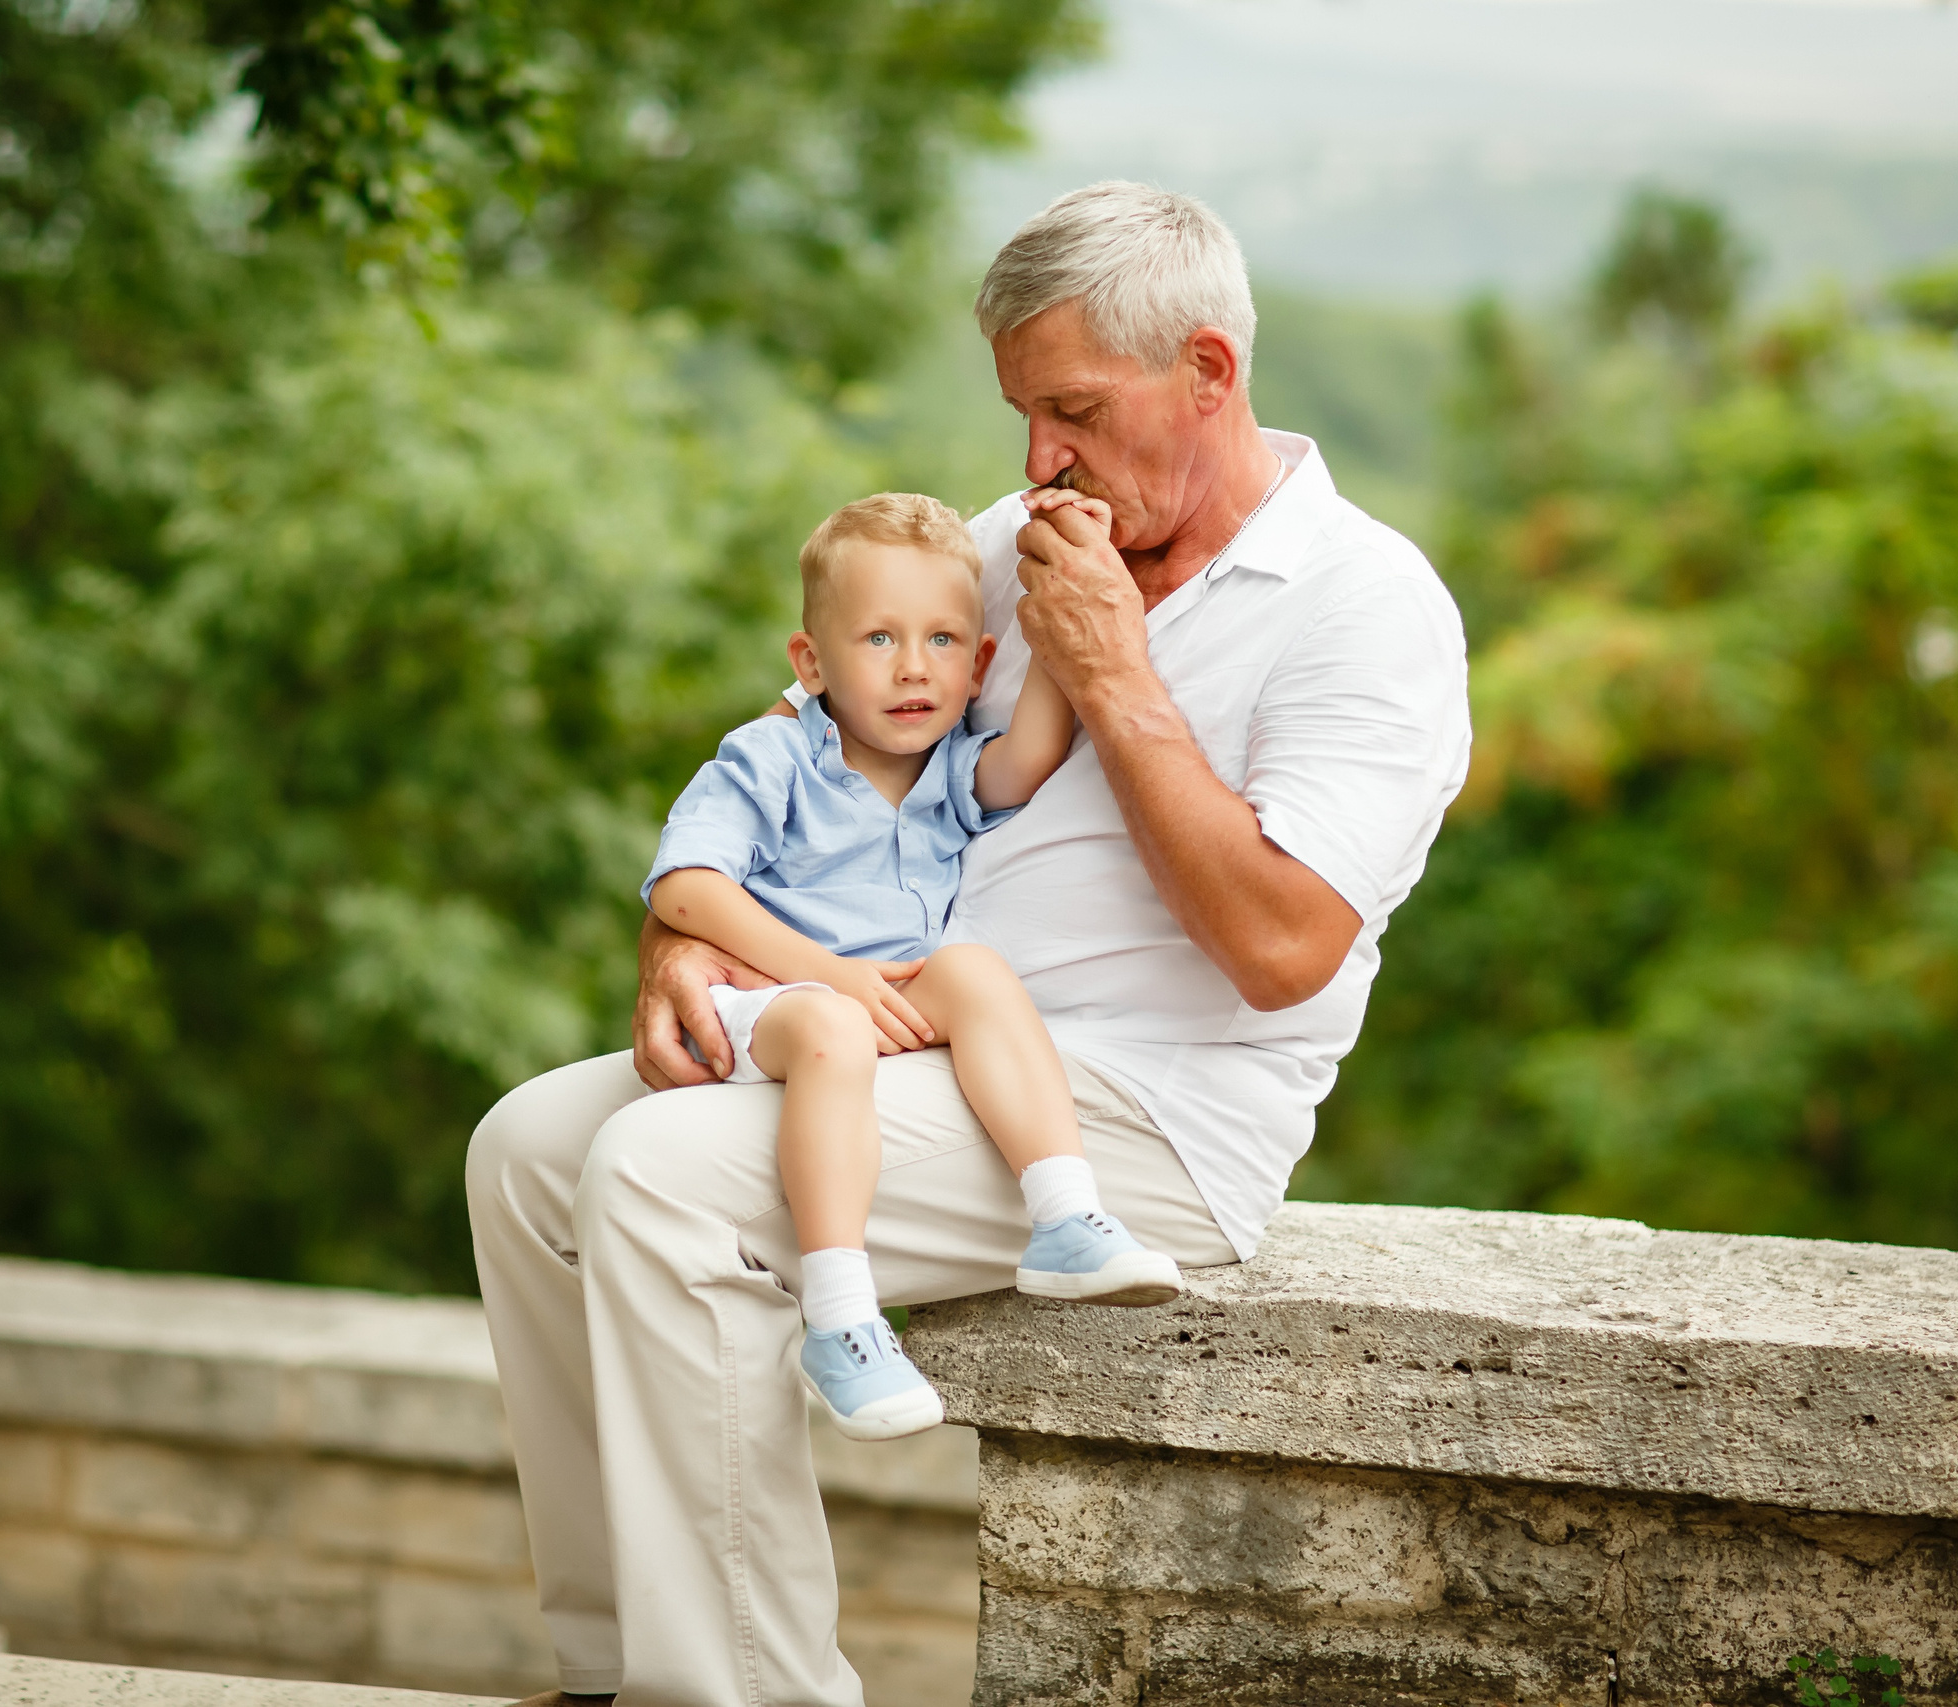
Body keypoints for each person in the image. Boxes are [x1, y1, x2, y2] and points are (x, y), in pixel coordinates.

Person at [469, 179, 1471, 1707]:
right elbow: (813, 760)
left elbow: (1284, 946)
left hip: (1142, 1110)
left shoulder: (1366, 604)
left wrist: (1117, 676)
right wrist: (684, 941)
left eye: (1072, 407)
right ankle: (614, 1667)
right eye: (1019, 412)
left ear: (1208, 372)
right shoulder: (1011, 542)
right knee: (528, 1145)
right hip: (907, 1024)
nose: (1034, 459)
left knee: (664, 1182)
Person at [642, 490, 1185, 1444]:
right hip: (765, 1005)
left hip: (883, 1006)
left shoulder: (948, 768)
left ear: (979, 664)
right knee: (831, 1026)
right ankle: (844, 1314)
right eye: (879, 639)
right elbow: (685, 888)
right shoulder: (772, 757)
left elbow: (1033, 754)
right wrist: (825, 974)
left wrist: (1067, 609)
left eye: (942, 642)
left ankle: (1065, 1213)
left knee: (972, 968)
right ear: (811, 663)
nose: (912, 669)